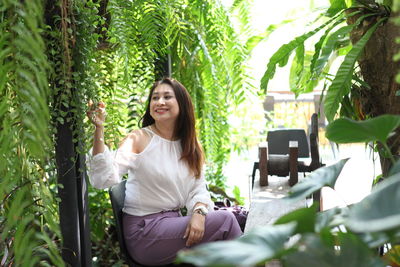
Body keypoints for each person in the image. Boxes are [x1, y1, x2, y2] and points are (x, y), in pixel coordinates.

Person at [87, 77, 242, 266]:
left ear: (182, 104)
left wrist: (199, 213)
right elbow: (103, 179)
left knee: (227, 231)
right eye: (155, 98)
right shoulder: (139, 138)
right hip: (145, 232)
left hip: (175, 225)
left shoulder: (191, 145)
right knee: (226, 221)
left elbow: (198, 188)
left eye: (167, 97)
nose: (159, 102)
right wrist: (99, 130)